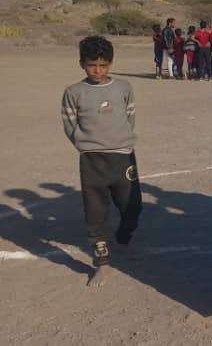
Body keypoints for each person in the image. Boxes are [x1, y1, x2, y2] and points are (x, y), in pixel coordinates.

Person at [61, 36, 142, 287]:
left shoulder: (124, 87)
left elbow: (130, 116)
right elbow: (69, 125)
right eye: (92, 65)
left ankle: (123, 238)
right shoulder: (73, 92)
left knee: (133, 206)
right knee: (95, 213)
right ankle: (102, 263)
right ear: (82, 64)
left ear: (111, 63)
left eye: (103, 65)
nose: (98, 70)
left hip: (123, 156)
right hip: (92, 161)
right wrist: (86, 145)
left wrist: (120, 140)